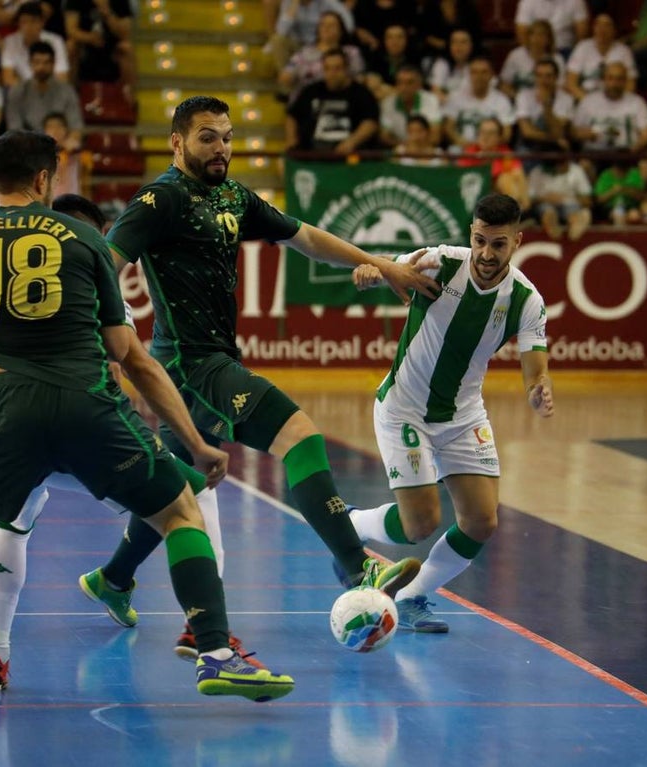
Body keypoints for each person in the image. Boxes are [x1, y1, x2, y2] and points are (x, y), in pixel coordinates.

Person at [0, 129, 296, 717]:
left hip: (6, 411)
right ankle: (215, 652)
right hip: (89, 409)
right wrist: (194, 443)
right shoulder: (86, 240)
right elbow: (131, 357)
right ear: (44, 180)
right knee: (182, 510)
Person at [79, 95, 438, 657]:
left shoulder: (232, 196)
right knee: (301, 437)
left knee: (181, 489)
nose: (221, 147)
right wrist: (93, 338)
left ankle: (112, 579)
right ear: (177, 142)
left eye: (226, 136)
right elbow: (103, 262)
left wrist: (384, 262)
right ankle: (355, 567)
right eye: (206, 137)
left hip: (213, 357)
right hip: (191, 364)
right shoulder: (158, 200)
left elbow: (306, 238)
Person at [0, 194, 259, 694]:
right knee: (189, 494)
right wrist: (188, 438)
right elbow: (135, 367)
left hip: (13, 436)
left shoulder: (4, 279)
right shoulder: (101, 289)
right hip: (88, 438)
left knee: (9, 523)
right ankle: (204, 628)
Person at [346, 193, 555, 632]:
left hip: (463, 417)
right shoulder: (440, 263)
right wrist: (373, 269)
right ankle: (348, 523)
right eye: (479, 240)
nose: (485, 253)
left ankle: (412, 597)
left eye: (498, 244)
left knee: (481, 522)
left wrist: (538, 392)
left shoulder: (525, 299)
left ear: (516, 241)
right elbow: (390, 266)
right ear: (471, 234)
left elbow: (536, 371)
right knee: (419, 523)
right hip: (404, 409)